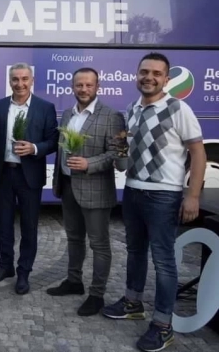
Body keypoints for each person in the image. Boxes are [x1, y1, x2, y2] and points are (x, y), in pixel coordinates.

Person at [102, 52, 206, 352]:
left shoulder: (178, 108)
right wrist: (121, 149)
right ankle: (133, 303)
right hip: (133, 190)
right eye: (144, 72)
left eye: (156, 73)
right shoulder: (132, 108)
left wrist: (192, 195)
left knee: (163, 261)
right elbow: (128, 153)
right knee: (135, 251)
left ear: (166, 79)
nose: (149, 77)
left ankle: (163, 326)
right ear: (137, 75)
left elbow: (198, 153)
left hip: (164, 195)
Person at [48, 67, 125, 316]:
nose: (83, 89)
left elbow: (118, 154)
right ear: (73, 86)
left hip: (96, 190)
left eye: (88, 85)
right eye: (79, 85)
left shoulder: (112, 116)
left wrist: (89, 164)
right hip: (68, 186)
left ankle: (97, 294)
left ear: (97, 87)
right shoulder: (67, 114)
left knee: (99, 244)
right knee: (73, 238)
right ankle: (74, 281)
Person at [0, 62, 58, 295]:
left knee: (29, 226)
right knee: (3, 224)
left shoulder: (45, 107)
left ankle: (24, 272)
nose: (20, 84)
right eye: (15, 79)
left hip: (30, 176)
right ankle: (5, 266)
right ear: (10, 81)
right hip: (4, 174)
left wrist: (34, 148)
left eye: (24, 79)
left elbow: (53, 141)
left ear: (32, 80)